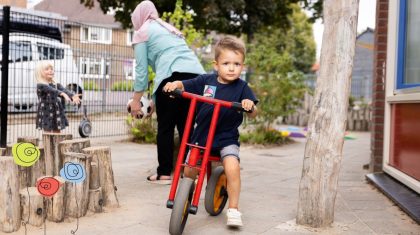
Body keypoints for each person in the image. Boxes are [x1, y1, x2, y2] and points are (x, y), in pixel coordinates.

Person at [163, 36, 258, 228]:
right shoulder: (205, 81)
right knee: (189, 170)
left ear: (243, 66)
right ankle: (186, 193)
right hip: (201, 137)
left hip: (226, 139)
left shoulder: (242, 87)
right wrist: (175, 85)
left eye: (237, 64)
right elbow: (185, 84)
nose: (231, 68)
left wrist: (249, 106)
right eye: (226, 63)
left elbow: (254, 112)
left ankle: (233, 208)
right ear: (216, 65)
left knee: (232, 167)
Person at [129, 0, 205, 183]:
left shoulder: (142, 33)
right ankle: (187, 173)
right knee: (186, 126)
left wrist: (135, 101)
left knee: (165, 127)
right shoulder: (169, 29)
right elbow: (167, 66)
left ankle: (164, 173)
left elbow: (141, 70)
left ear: (138, 17)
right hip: (195, 79)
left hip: (172, 78)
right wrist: (156, 99)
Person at [35, 61, 81, 133]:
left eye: (51, 69)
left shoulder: (56, 84)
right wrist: (61, 94)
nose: (50, 70)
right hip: (46, 111)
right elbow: (51, 90)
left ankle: (57, 143)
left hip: (56, 111)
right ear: (40, 73)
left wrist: (72, 95)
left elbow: (64, 90)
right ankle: (48, 144)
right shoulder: (40, 85)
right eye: (47, 69)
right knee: (48, 133)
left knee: (57, 132)